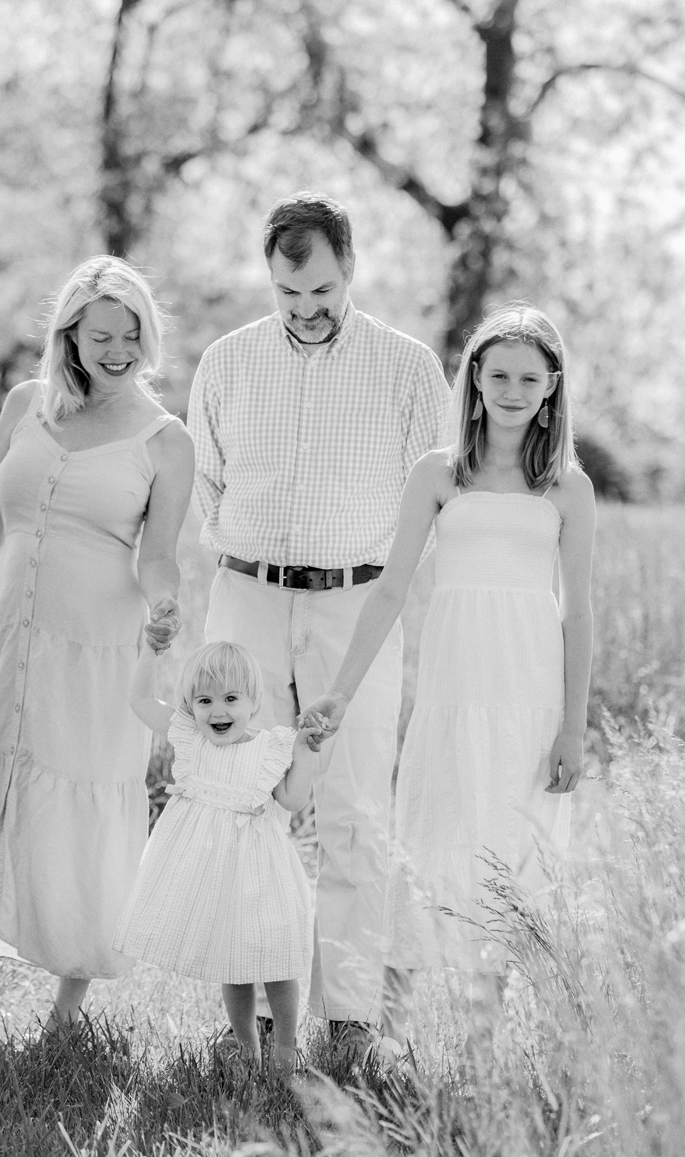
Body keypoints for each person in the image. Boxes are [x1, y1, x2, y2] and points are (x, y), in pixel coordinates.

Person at [0, 255, 194, 1041]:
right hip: (0, 640)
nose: (116, 349)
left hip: (96, 652)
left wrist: (165, 606)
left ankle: (66, 1013)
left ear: (147, 337)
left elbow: (158, 557)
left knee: (83, 805)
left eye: (130, 334)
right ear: (70, 336)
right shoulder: (25, 405)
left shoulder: (166, 439)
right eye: (100, 335)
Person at [187, 191, 450, 1031]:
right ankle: (256, 1012)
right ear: (269, 279)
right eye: (289, 294)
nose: (306, 311)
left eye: (323, 293)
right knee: (240, 801)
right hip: (248, 597)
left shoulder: (410, 369)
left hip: (356, 603)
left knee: (353, 806)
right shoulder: (225, 362)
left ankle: (351, 1012)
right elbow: (207, 485)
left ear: (350, 271)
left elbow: (429, 505)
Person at [303, 302, 595, 1051]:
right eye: (497, 373)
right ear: (474, 378)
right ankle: (389, 1032)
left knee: (509, 852)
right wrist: (338, 690)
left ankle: (481, 1042)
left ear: (552, 387)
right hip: (452, 689)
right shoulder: (438, 472)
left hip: (527, 694)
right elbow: (392, 587)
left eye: (529, 377)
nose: (511, 388)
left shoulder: (567, 485)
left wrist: (572, 727)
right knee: (431, 839)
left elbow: (579, 614)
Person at [114, 641, 320, 1073]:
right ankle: (246, 1048)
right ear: (190, 705)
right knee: (234, 958)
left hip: (259, 869)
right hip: (212, 875)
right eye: (204, 701)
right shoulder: (190, 738)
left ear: (253, 702)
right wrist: (152, 651)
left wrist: (305, 752)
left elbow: (295, 799)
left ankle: (286, 1047)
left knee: (277, 957)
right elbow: (138, 699)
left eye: (231, 699)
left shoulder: (269, 749)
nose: (218, 711)